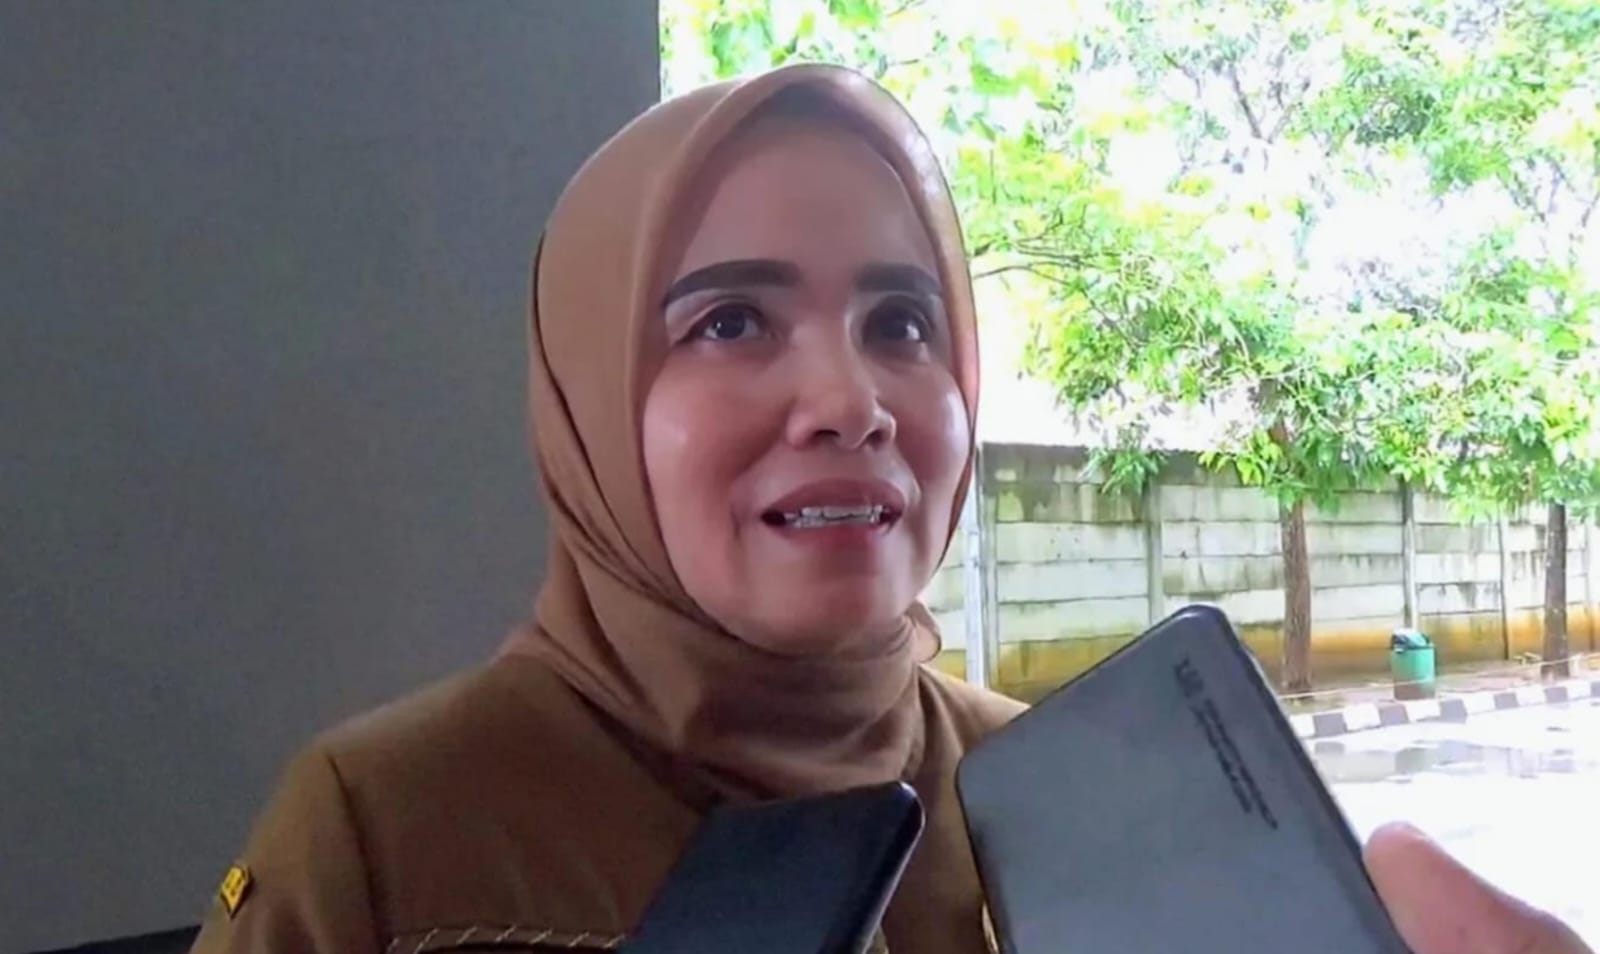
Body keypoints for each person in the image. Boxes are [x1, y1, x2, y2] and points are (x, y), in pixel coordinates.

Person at [189, 64, 1591, 954]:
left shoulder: (1061, 797)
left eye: (903, 325)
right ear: (590, 402)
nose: (850, 399)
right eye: (731, 321)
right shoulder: (386, 833)